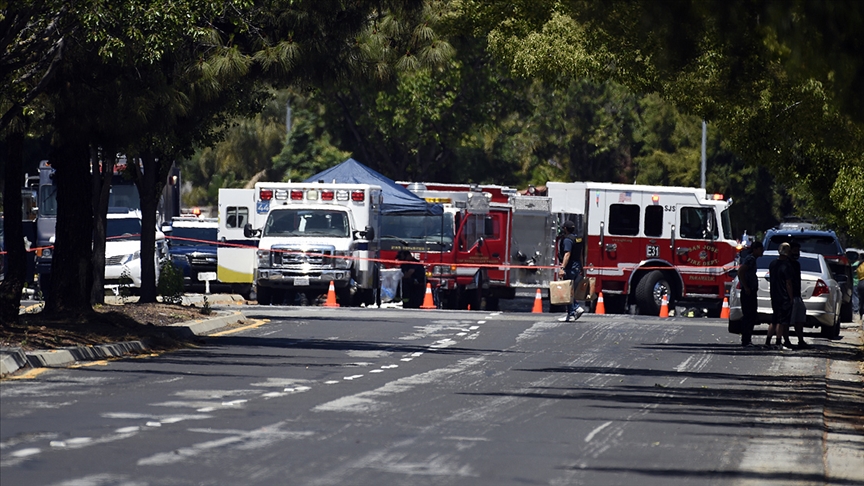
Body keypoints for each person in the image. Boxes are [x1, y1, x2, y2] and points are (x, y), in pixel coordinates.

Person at [767, 243, 795, 349]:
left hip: (774, 294)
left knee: (774, 319)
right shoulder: (787, 266)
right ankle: (778, 342)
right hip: (783, 295)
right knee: (782, 320)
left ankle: (768, 341)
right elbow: (788, 283)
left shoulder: (773, 264)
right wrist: (791, 297)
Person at [557, 220, 586, 322]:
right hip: (577, 266)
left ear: (565, 229)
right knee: (570, 291)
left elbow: (567, 254)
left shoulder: (567, 240)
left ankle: (576, 308)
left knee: (568, 291)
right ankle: (571, 314)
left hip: (570, 268)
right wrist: (582, 267)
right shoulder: (578, 239)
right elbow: (581, 254)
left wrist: (562, 268)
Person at [738, 241, 763, 347]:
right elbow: (741, 271)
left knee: (751, 315)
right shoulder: (750, 259)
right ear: (755, 249)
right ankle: (746, 340)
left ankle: (747, 339)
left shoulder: (752, 259)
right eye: (760, 249)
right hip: (748, 292)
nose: (762, 251)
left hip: (751, 291)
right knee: (749, 316)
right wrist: (746, 286)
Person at [785, 241, 808, 348]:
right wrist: (790, 297)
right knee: (787, 320)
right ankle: (786, 340)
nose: (797, 253)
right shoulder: (786, 264)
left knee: (800, 318)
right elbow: (788, 282)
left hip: (797, 296)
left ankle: (800, 340)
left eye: (798, 251)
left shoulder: (796, 264)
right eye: (794, 250)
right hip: (789, 296)